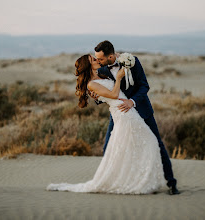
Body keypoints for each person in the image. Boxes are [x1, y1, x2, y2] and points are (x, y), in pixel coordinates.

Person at [47, 54, 166, 194]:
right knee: (146, 142)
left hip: (128, 111)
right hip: (123, 114)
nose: (97, 60)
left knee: (137, 145)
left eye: (95, 58)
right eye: (93, 59)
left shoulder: (102, 75)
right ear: (88, 66)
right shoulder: (91, 84)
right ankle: (135, 181)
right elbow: (114, 95)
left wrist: (120, 59)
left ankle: (135, 179)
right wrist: (120, 77)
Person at [91, 40, 179, 195]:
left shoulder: (132, 61)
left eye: (101, 59)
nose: (98, 61)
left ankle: (172, 184)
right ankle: (114, 182)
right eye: (97, 59)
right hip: (120, 115)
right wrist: (96, 97)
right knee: (108, 147)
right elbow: (106, 93)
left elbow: (144, 86)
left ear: (111, 56)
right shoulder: (103, 70)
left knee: (157, 144)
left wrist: (132, 102)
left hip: (141, 110)